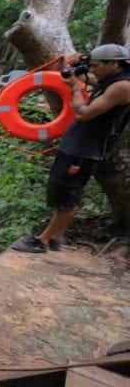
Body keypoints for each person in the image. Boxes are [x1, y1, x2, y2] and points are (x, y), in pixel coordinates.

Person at [12, 44, 130, 253]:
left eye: (96, 66)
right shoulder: (113, 80)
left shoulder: (122, 86)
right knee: (64, 191)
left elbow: (84, 113)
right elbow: (88, 79)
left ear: (114, 63)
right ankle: (56, 238)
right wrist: (72, 65)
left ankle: (42, 241)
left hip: (84, 148)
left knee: (66, 193)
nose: (92, 70)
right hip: (79, 145)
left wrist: (75, 87)